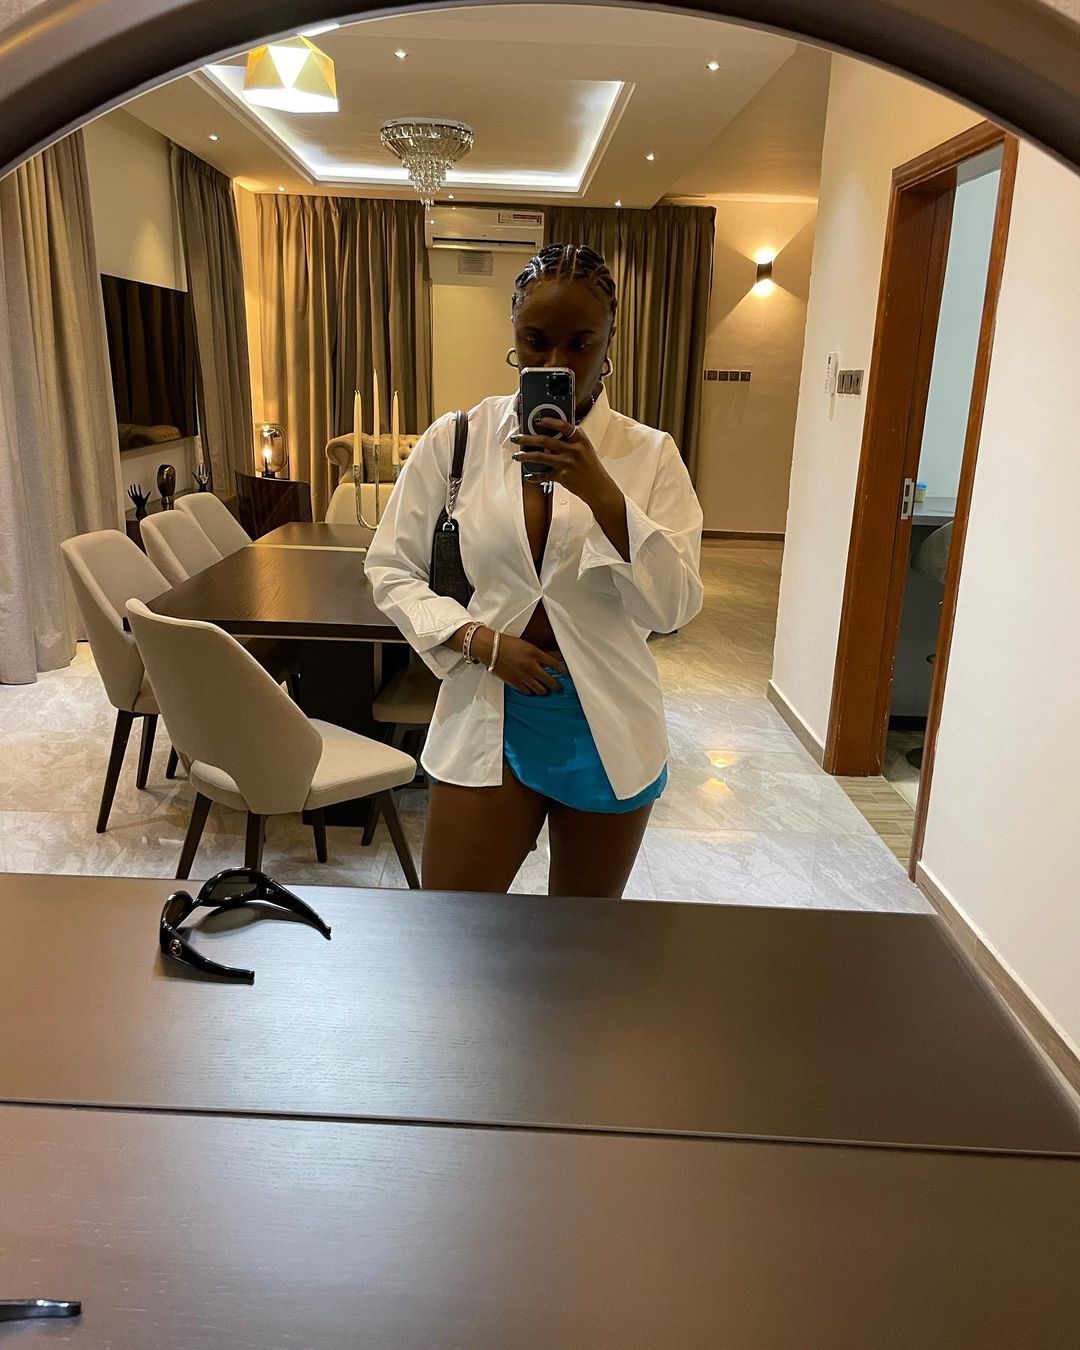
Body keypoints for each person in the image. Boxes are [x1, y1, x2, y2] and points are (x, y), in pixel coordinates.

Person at [365, 243, 703, 897]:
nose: (555, 364)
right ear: (514, 336)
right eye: (536, 341)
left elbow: (675, 606)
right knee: (455, 926)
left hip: (607, 718)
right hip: (489, 703)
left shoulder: (650, 455)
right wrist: (479, 641)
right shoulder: (457, 439)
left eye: (580, 343)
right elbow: (390, 566)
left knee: (580, 942)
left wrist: (603, 493)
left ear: (609, 342)